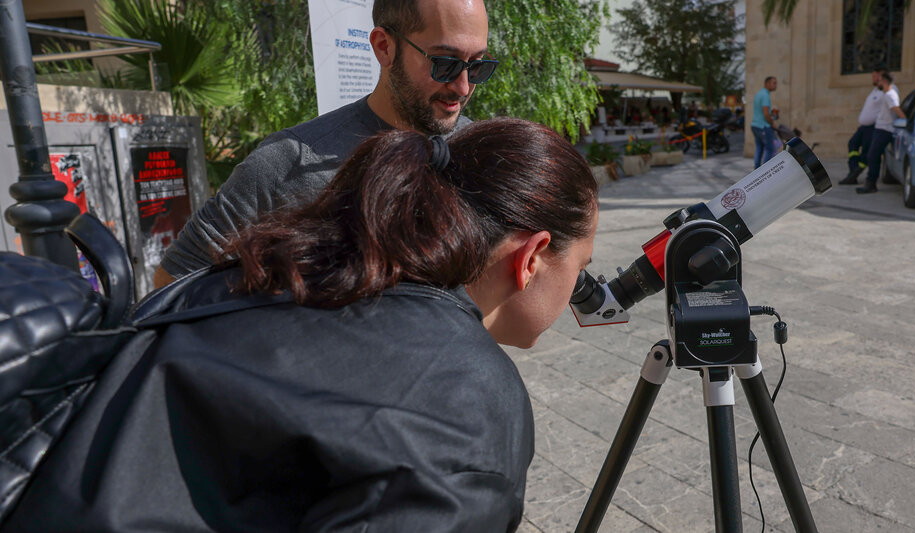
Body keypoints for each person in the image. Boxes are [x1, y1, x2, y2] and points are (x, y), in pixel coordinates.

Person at [4, 117, 600, 532]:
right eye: (582, 266)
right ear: (532, 256)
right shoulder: (472, 403)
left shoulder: (281, 269)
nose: (584, 286)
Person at [154, 0, 496, 289]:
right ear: (384, 47)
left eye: (477, 65)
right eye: (445, 63)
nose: (463, 87)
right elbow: (173, 283)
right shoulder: (289, 163)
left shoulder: (478, 150)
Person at [857, 71, 905, 194]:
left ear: (883, 81)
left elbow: (896, 109)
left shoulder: (890, 94)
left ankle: (871, 183)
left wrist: (906, 121)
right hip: (880, 129)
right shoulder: (887, 94)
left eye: (879, 81)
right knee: (873, 156)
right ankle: (871, 183)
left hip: (885, 130)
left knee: (872, 156)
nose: (877, 83)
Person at [840, 68, 885, 185]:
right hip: (863, 127)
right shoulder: (875, 91)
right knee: (852, 143)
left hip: (873, 127)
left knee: (866, 152)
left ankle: (855, 174)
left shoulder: (886, 91)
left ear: (881, 75)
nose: (873, 78)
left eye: (875, 76)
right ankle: (853, 169)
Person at [751, 76, 778, 168]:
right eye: (774, 83)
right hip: (763, 126)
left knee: (759, 148)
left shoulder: (759, 94)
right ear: (767, 84)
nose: (776, 85)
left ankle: (756, 170)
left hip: (755, 125)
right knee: (770, 149)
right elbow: (766, 113)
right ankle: (764, 171)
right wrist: (772, 123)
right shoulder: (765, 95)